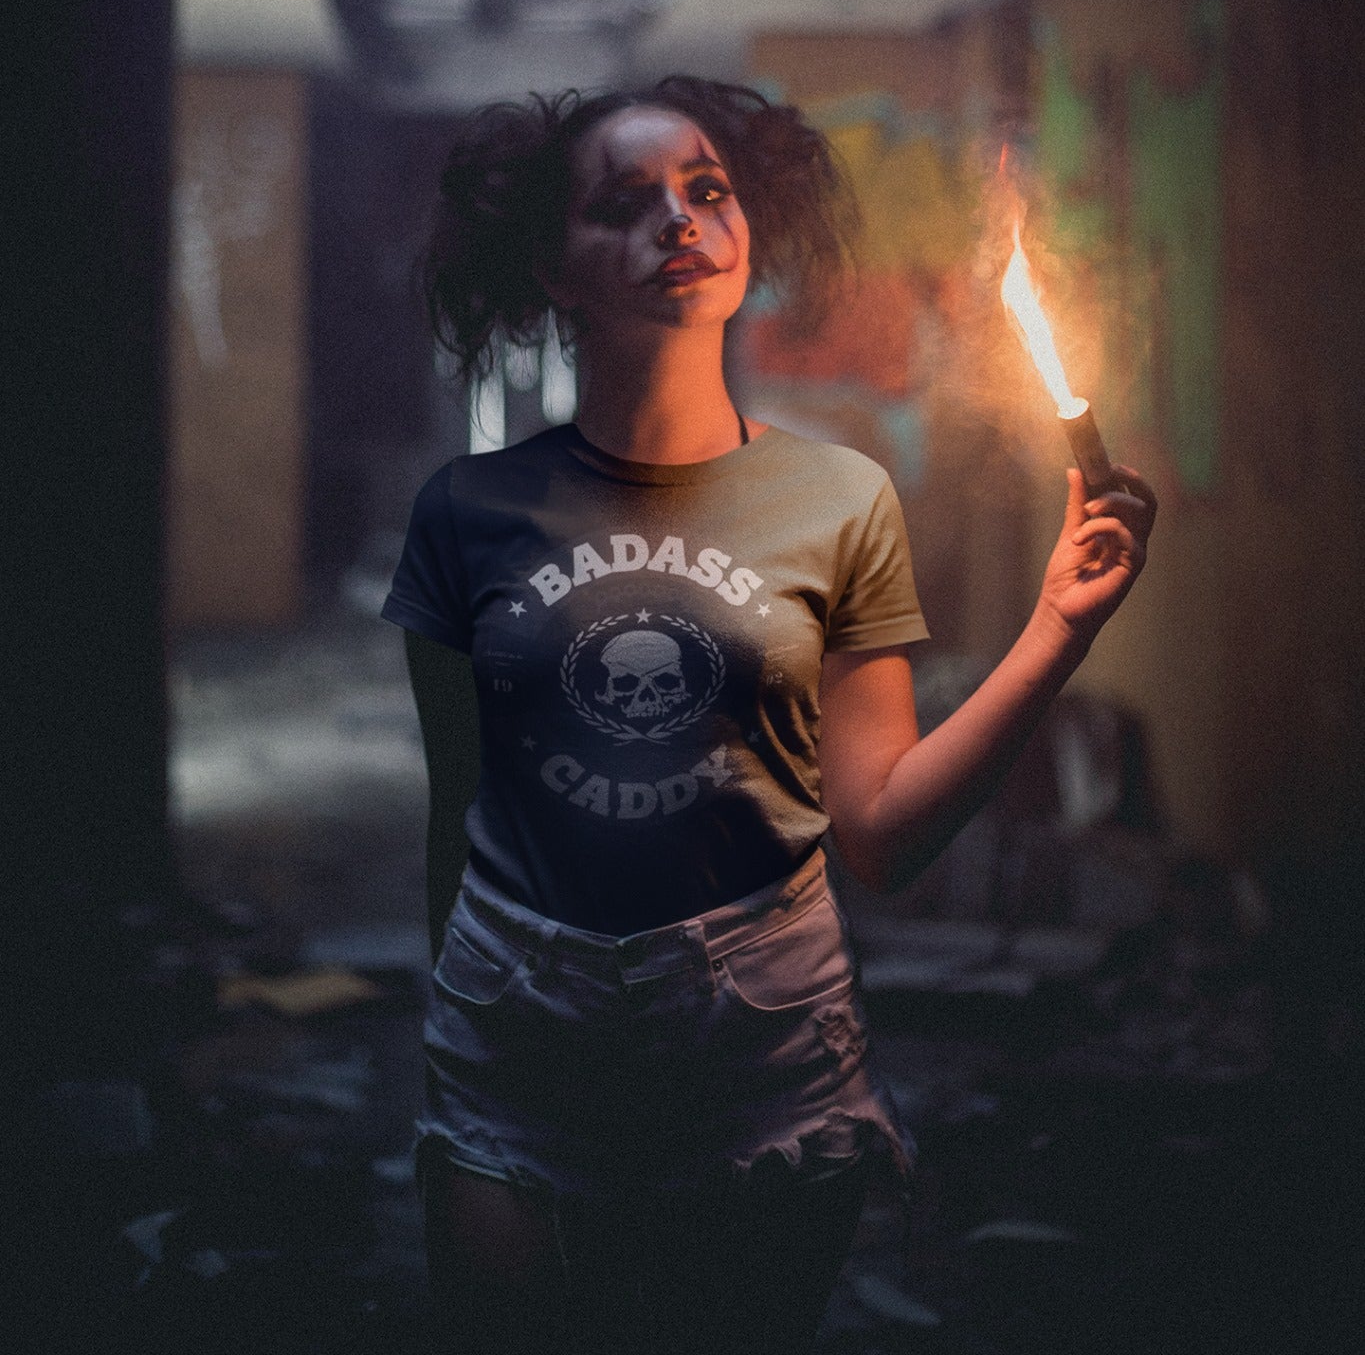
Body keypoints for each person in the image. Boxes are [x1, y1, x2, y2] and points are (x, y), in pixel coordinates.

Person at [382, 76, 1155, 1355]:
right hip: (515, 1047)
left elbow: (882, 831)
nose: (678, 221)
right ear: (554, 267)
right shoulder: (464, 514)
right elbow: (454, 818)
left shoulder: (840, 498)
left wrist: (1056, 632)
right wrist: (450, 1035)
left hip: (760, 1050)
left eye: (706, 189)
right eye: (624, 205)